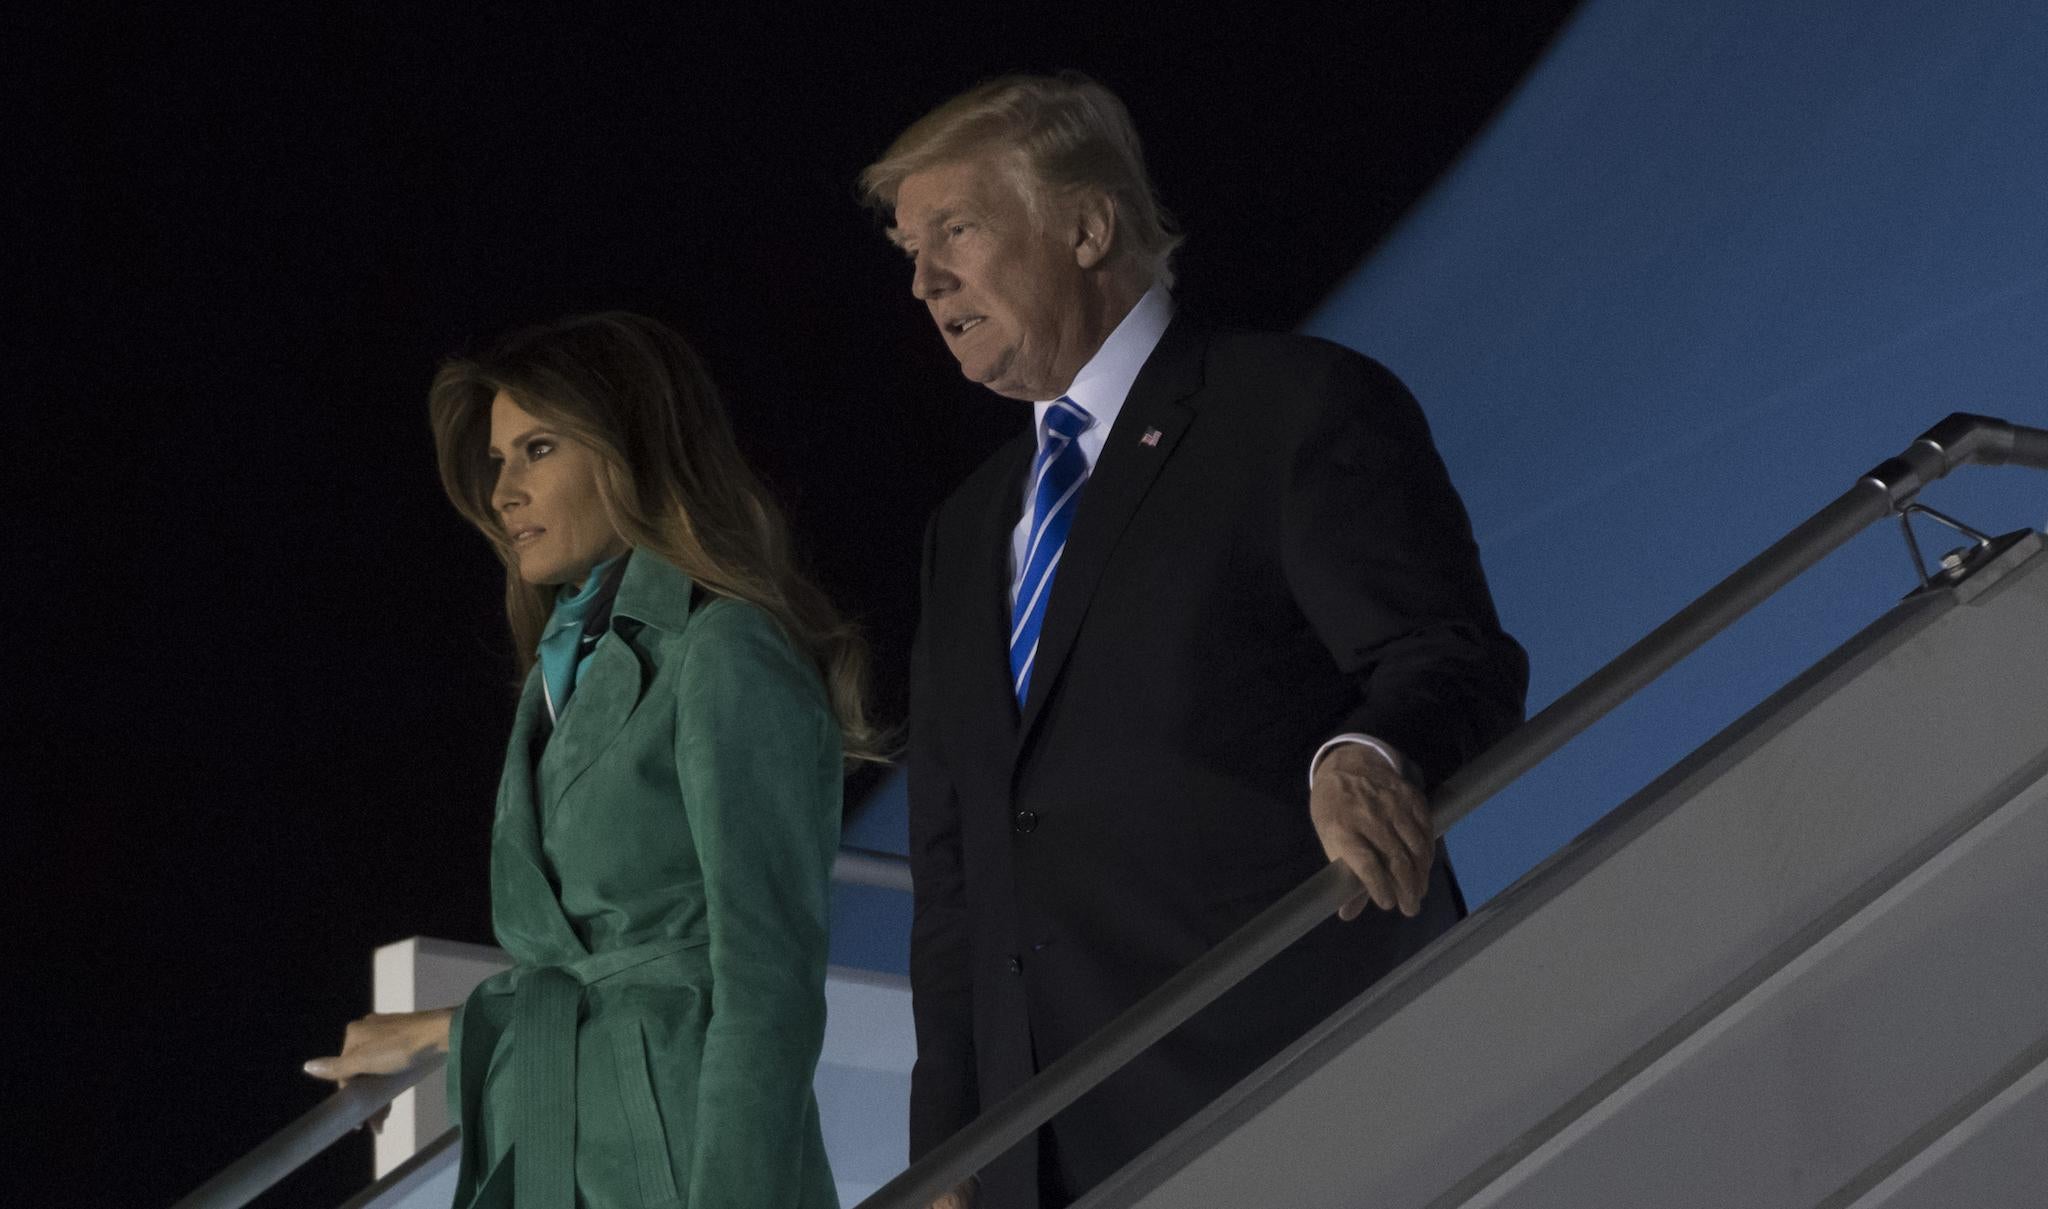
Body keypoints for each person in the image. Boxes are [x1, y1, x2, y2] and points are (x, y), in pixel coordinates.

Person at [860, 74, 1529, 1208]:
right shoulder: (964, 530)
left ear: (1085, 225)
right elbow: (956, 872)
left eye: (956, 232)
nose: (925, 281)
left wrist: (1365, 755)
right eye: (908, 251)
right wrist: (951, 1148)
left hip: (1295, 1083)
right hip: (1052, 1149)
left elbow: (1445, 652)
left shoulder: (1292, 408)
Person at [304, 311, 878, 1209]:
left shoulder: (723, 649)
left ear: (634, 450)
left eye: (537, 449)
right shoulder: (556, 676)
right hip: (557, 1148)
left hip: (692, 1165)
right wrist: (448, 1032)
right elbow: (605, 969)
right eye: (498, 462)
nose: (503, 493)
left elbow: (765, 983)